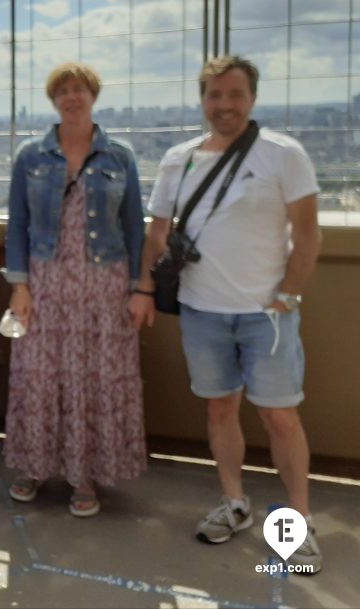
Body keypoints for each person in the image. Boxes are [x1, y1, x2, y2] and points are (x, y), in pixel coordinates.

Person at [132, 55, 323, 571]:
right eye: (215, 96)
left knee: (279, 416)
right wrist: (146, 286)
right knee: (219, 409)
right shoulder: (180, 158)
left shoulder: (284, 154)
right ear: (203, 101)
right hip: (202, 310)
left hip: (267, 314)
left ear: (252, 98)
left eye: (235, 95)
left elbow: (307, 232)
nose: (225, 105)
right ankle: (234, 501)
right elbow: (157, 230)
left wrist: (290, 294)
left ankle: (297, 523)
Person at [2, 62, 146, 517]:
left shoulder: (119, 156)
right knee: (40, 376)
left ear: (93, 96)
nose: (72, 96)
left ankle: (85, 476)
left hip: (103, 284)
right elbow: (18, 225)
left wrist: (139, 288)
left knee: (94, 377)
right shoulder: (31, 156)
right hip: (46, 282)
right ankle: (35, 465)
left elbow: (133, 226)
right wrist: (19, 286)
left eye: (80, 89)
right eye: (63, 90)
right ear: (53, 99)